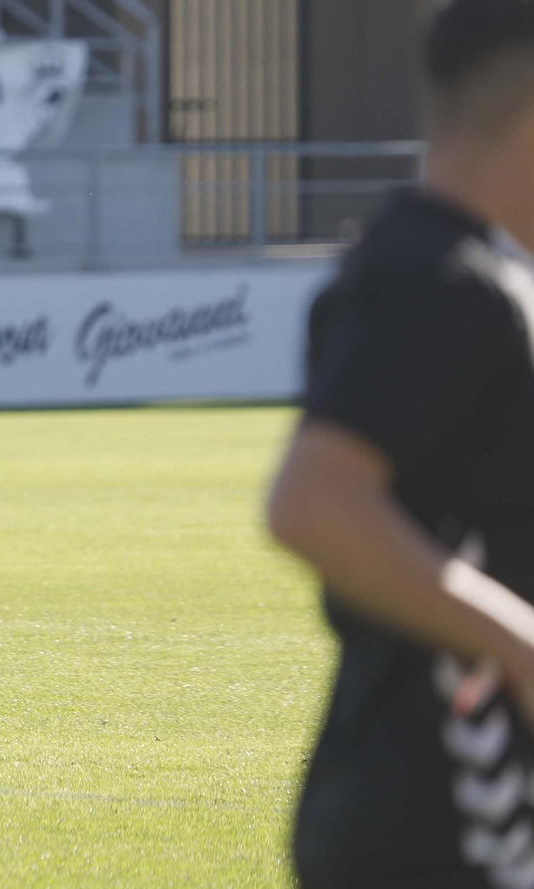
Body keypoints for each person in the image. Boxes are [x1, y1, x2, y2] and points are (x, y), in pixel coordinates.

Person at [267, 1, 534, 885]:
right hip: (448, 807)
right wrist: (522, 644)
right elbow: (314, 502)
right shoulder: (445, 284)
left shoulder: (417, 262)